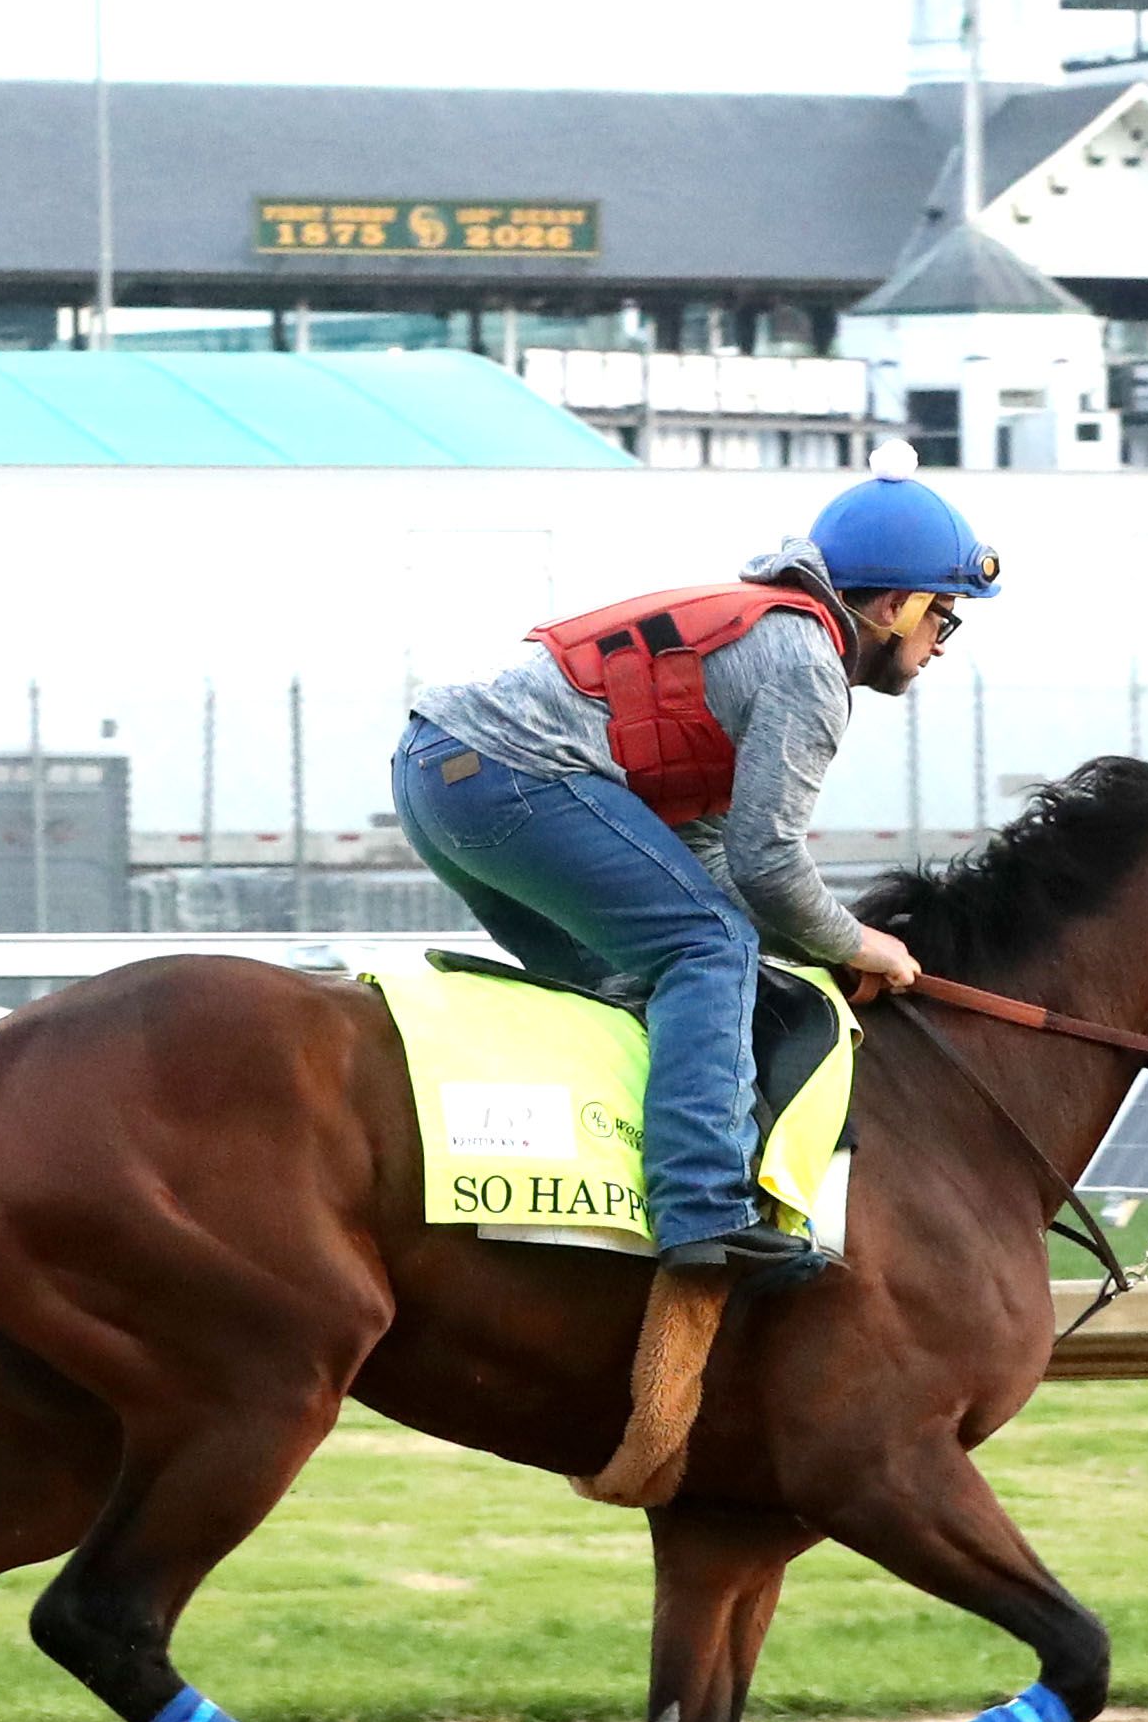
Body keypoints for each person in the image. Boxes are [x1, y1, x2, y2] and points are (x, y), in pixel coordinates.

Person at [392, 444, 997, 1274]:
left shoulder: (764, 635)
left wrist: (809, 942)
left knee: (635, 982)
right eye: (945, 616)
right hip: (507, 780)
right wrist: (859, 943)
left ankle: (591, 1218)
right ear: (896, 603)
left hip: (439, 774)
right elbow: (767, 865)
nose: (941, 643)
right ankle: (704, 1213)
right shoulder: (807, 666)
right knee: (707, 950)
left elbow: (706, 852)